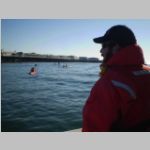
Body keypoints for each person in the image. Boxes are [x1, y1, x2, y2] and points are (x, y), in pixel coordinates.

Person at [82, 25, 150, 132]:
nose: (101, 51)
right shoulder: (147, 72)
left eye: (103, 46)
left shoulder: (109, 84)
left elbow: (93, 128)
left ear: (116, 46)